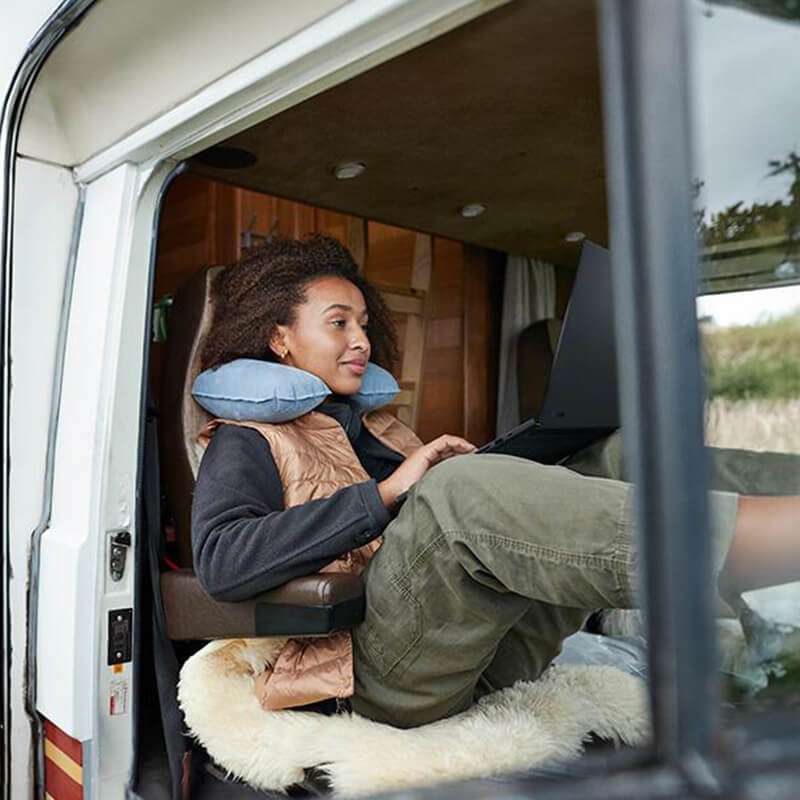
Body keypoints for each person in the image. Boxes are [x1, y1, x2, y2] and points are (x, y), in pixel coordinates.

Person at [191, 235, 800, 729]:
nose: (361, 340)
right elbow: (221, 563)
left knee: (614, 454)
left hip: (475, 650)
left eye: (365, 324)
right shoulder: (245, 438)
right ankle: (756, 542)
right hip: (365, 681)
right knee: (458, 494)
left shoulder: (373, 428)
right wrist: (388, 495)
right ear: (280, 338)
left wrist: (503, 474)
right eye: (339, 323)